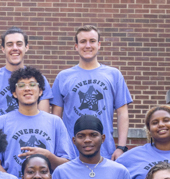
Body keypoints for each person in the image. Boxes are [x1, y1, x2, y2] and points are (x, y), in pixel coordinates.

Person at [51, 25, 132, 160]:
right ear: (76, 46)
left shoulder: (113, 75)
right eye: (83, 41)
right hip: (70, 154)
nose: (87, 45)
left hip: (106, 152)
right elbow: (56, 117)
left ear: (99, 45)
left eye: (92, 41)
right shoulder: (63, 77)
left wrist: (121, 147)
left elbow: (123, 112)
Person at [0, 66, 74, 177]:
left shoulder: (55, 122)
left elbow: (68, 164)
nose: (27, 88)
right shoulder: (0, 123)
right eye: (21, 85)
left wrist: (49, 156)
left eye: (32, 84)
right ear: (14, 93)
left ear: (40, 92)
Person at [0, 27, 51, 128]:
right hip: (1, 139)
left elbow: (44, 117)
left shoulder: (39, 79)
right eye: (9, 44)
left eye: (19, 44)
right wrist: (0, 140)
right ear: (3, 49)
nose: (15, 48)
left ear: (26, 47)